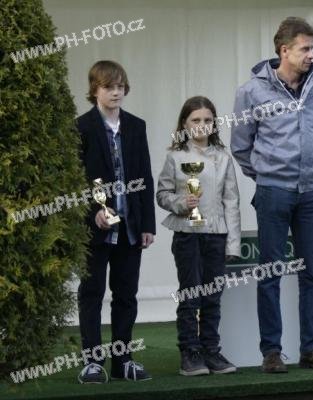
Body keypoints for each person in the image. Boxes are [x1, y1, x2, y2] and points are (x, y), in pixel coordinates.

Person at [231, 17, 313, 372]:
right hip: (273, 192)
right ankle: (271, 352)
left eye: (312, 48)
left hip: (310, 192)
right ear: (284, 50)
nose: (311, 55)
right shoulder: (251, 91)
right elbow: (240, 146)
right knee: (270, 273)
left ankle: (311, 348)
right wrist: (266, 177)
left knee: (312, 274)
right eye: (305, 49)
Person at [76, 60, 155, 383]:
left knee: (126, 295)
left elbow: (145, 176)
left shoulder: (136, 126)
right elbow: (74, 180)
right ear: (95, 90)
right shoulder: (80, 127)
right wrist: (91, 211)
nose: (116, 92)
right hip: (95, 230)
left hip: (130, 228)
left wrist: (147, 224)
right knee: (92, 293)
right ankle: (92, 362)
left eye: (120, 86)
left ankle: (123, 361)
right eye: (109, 87)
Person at [157, 96, 240, 376]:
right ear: (184, 124)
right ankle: (190, 352)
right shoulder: (175, 157)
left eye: (207, 120)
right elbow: (162, 194)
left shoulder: (224, 158)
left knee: (212, 297)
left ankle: (211, 350)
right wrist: (181, 203)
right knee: (190, 295)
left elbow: (232, 202)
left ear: (214, 124)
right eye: (195, 120)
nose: (202, 125)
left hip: (216, 235)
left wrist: (233, 243)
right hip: (187, 235)